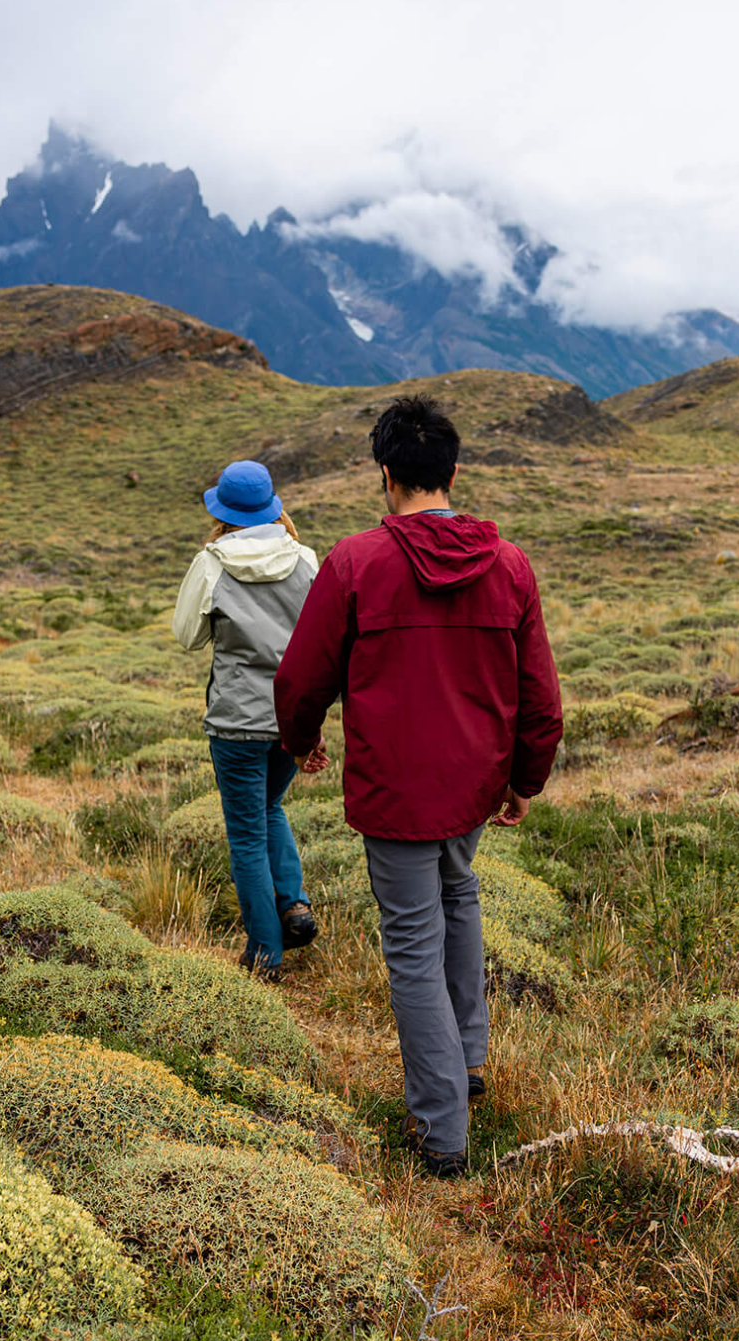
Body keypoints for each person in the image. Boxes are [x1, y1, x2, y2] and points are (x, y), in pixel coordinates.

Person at [275, 397, 561, 1177]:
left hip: (397, 789)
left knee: (411, 942)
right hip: (474, 785)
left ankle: (442, 1135)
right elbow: (541, 697)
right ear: (453, 473)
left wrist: (300, 741)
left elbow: (301, 680)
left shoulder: (355, 563)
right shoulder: (510, 566)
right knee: (458, 894)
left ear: (388, 475)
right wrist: (523, 779)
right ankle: (466, 1062)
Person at [172, 459, 322, 981]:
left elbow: (187, 636)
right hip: (291, 720)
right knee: (270, 807)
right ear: (271, 506)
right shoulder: (305, 559)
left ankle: (265, 954)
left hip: (235, 721)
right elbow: (322, 643)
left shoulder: (212, 562)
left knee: (245, 834)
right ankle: (295, 905)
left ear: (224, 513)